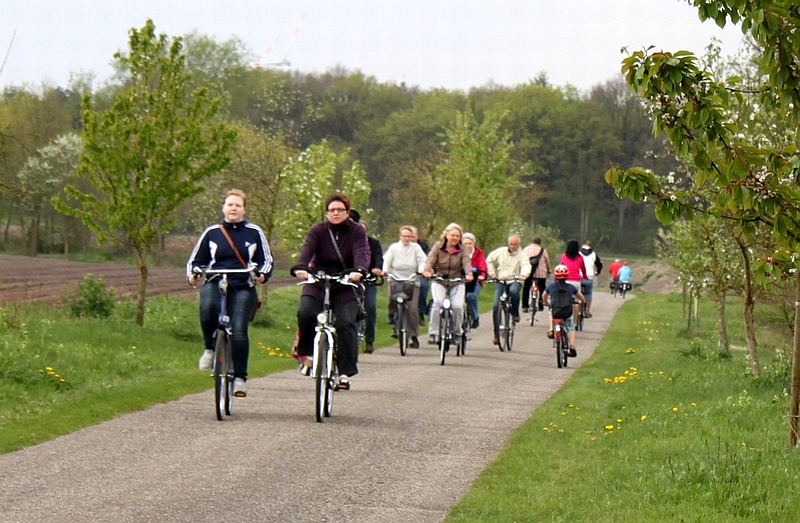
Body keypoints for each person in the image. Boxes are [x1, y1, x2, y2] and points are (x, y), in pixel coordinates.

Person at [187, 189, 273, 398]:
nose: (233, 208)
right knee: (207, 308)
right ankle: (209, 348)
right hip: (216, 281)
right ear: (223, 208)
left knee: (239, 329)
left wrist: (262, 274)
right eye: (230, 205)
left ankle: (240, 378)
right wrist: (194, 272)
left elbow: (266, 260)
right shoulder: (212, 232)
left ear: (244, 209)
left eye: (238, 205)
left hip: (243, 284)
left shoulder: (254, 232)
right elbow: (195, 260)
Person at [290, 194, 369, 391]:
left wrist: (359, 270)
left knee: (346, 323)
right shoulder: (318, 230)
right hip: (319, 280)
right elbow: (307, 251)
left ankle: (344, 372)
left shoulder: (357, 231)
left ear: (347, 212)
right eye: (331, 210)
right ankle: (307, 355)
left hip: (346, 283)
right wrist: (301, 267)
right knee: (306, 311)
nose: (335, 213)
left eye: (340, 210)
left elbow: (362, 252)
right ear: (326, 212)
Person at [422, 223, 473, 346]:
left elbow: (466, 261)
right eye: (452, 235)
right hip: (440, 280)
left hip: (457, 281)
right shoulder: (438, 247)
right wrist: (427, 271)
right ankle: (433, 333)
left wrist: (469, 274)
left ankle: (457, 333)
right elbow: (430, 259)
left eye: (457, 236)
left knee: (457, 306)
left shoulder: (462, 249)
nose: (455, 238)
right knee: (437, 303)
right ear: (446, 235)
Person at [382, 225, 427, 348]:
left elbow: (423, 260)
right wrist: (385, 270)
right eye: (404, 236)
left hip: (412, 280)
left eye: (409, 236)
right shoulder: (394, 248)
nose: (407, 238)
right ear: (400, 236)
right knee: (392, 298)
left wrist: (421, 269)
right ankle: (392, 316)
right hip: (396, 278)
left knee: (412, 309)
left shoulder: (416, 248)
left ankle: (414, 336)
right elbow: (387, 260)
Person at [485, 234, 531, 346]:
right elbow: (489, 260)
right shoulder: (500, 252)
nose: (513, 246)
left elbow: (526, 266)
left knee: (514, 292)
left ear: (519, 244)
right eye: (511, 244)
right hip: (501, 280)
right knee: (496, 306)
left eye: (515, 244)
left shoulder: (522, 256)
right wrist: (493, 273)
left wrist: (523, 275)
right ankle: (496, 334)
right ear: (508, 244)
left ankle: (515, 313)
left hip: (514, 280)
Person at [353, 215, 383, 354]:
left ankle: (369, 340)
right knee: (352, 307)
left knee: (370, 307)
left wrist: (377, 269)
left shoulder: (373, 243)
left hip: (369, 280)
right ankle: (352, 338)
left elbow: (378, 258)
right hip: (354, 281)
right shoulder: (351, 243)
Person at [543, 264, 585, 358]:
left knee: (551, 312)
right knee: (570, 327)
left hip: (556, 311)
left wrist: (546, 302)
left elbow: (544, 295)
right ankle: (572, 346)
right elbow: (580, 296)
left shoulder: (551, 286)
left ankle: (551, 330)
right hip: (567, 312)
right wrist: (582, 301)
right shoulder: (570, 287)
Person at [462, 232, 487, 328]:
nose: (468, 246)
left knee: (471, 296)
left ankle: (475, 317)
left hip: (476, 281)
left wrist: (483, 274)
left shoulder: (479, 253)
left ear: (473, 244)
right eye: (465, 244)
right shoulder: (459, 252)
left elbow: (482, 265)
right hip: (463, 280)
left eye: (470, 243)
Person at [559, 239, 588, 319]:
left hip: (565, 280)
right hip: (576, 281)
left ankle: (563, 318)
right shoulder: (580, 257)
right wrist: (585, 276)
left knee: (564, 300)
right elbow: (583, 269)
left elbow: (560, 267)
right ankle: (574, 322)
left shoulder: (564, 256)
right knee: (575, 302)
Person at [522, 237, 550, 313]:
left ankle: (525, 306)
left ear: (532, 242)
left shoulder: (526, 250)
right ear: (540, 243)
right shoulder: (543, 251)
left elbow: (522, 260)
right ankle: (541, 304)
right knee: (542, 288)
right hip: (541, 274)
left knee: (526, 288)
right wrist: (548, 270)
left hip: (528, 273)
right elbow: (547, 262)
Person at [411, 226, 431, 327]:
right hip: (404, 275)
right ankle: (395, 321)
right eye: (409, 236)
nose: (411, 239)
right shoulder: (398, 247)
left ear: (417, 237)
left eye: (413, 236)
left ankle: (421, 311)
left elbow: (427, 259)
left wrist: (424, 270)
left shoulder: (423, 246)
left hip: (420, 273)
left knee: (423, 285)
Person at [579, 240, 602, 318]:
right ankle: (587, 311)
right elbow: (599, 264)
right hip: (589, 277)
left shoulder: (578, 253)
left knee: (577, 293)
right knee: (588, 293)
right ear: (590, 246)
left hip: (579, 277)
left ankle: (577, 309)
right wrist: (598, 272)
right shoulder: (593, 254)